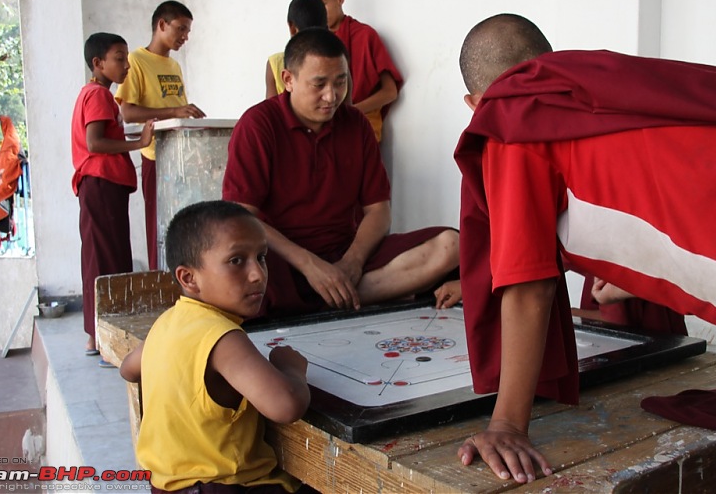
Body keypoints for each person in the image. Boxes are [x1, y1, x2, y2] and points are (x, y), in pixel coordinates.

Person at [454, 13, 716, 484]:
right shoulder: (597, 85)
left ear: (475, 104)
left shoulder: (511, 120)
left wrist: (506, 424)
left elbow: (529, 285)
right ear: (546, 63)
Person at [222, 27, 459, 318]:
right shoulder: (258, 125)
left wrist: (353, 262)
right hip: (282, 260)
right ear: (288, 80)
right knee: (236, 278)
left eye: (340, 82)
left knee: (450, 246)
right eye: (319, 84)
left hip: (345, 254)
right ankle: (339, 296)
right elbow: (242, 216)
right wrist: (309, 264)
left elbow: (379, 211)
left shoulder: (356, 124)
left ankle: (332, 293)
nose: (331, 96)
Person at [119, 200, 312, 493]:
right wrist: (292, 369)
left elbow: (128, 369)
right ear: (189, 278)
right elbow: (286, 405)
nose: (258, 274)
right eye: (236, 260)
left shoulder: (166, 323)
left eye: (261, 257)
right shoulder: (224, 338)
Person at [70, 32, 154, 365]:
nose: (127, 65)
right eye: (119, 58)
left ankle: (98, 335)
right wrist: (139, 143)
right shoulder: (99, 96)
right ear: (98, 63)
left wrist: (137, 135)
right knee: (106, 260)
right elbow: (96, 143)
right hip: (100, 183)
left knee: (105, 257)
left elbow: (107, 136)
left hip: (102, 186)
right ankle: (102, 338)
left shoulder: (96, 95)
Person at [114, 0, 206, 271]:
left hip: (183, 157)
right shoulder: (136, 61)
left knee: (185, 228)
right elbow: (128, 112)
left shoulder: (174, 66)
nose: (184, 37)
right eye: (180, 29)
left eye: (188, 31)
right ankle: (159, 283)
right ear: (161, 25)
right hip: (156, 155)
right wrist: (176, 110)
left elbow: (180, 112)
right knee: (159, 228)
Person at [304, 0, 402, 142]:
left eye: (323, 5)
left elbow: (390, 91)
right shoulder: (310, 44)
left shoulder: (365, 35)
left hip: (360, 124)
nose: (319, 13)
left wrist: (350, 111)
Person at [265, 0, 329, 99]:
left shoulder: (276, 63)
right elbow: (346, 112)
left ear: (292, 27)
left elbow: (270, 111)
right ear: (326, 27)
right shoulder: (338, 63)